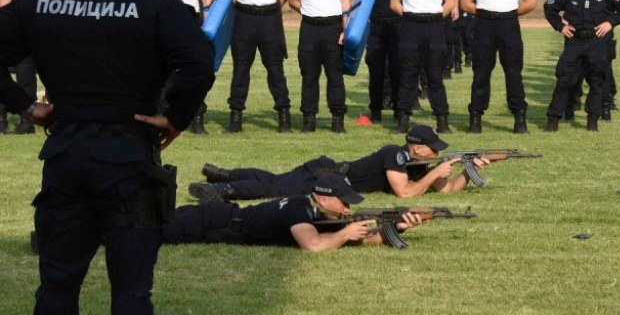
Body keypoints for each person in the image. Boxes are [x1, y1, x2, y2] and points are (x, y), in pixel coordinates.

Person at [0, 0, 215, 315]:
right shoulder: (156, 4)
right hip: (128, 157)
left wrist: (25, 106)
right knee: (131, 286)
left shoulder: (40, 2)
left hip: (66, 156)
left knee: (57, 283)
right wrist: (176, 117)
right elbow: (200, 61)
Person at [188, 124, 489, 202]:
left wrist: (469, 169)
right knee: (275, 190)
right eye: (433, 149)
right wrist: (435, 173)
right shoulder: (394, 154)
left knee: (273, 180)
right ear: (418, 147)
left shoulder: (417, 164)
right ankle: (221, 189)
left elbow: (447, 188)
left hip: (325, 170)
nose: (437, 153)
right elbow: (405, 193)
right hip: (323, 176)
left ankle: (223, 175)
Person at [164, 174, 422, 250]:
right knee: (150, 229)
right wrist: (344, 234)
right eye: (343, 202)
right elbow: (313, 245)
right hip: (212, 220)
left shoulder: (325, 215)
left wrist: (395, 228)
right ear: (322, 198)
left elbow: (362, 238)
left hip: (222, 222)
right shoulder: (299, 207)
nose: (348, 208)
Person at [542, 0, 620, 132]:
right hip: (574, 42)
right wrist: (560, 26)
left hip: (596, 42)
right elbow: (549, 8)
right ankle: (553, 119)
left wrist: (610, 23)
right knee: (564, 80)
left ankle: (592, 120)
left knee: (597, 82)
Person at [0, 0, 72, 135]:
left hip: (50, 26)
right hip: (20, 26)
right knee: (24, 77)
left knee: (56, 78)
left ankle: (61, 120)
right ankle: (27, 121)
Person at [460, 0, 537, 134]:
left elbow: (531, 1)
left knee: (513, 72)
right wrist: (486, 13)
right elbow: (465, 2)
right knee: (481, 72)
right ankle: (475, 118)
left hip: (509, 25)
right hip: (484, 24)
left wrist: (509, 13)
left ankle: (519, 118)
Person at [221, 0, 292, 133]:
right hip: (244, 18)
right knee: (241, 68)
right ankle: (235, 118)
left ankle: (284, 116)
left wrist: (275, 9)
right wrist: (242, 7)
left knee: (275, 68)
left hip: (270, 18)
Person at [145, 0, 214, 133]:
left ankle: (197, 117)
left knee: (195, 71)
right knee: (161, 72)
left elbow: (207, 0)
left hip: (189, 20)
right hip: (161, 22)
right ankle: (161, 114)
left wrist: (207, 30)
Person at [388, 0, 457, 134]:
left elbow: (450, 2)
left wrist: (434, 19)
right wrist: (410, 17)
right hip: (410, 26)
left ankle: (442, 121)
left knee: (435, 75)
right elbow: (394, 2)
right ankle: (403, 121)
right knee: (408, 75)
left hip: (434, 26)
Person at [286, 0, 352, 134]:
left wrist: (345, 30)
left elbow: (346, 3)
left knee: (335, 75)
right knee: (309, 75)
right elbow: (292, 0)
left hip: (333, 27)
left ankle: (338, 119)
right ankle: (309, 119)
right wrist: (308, 10)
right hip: (309, 28)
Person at [364, 0, 402, 123]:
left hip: (396, 29)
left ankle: (398, 110)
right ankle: (376, 110)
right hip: (376, 31)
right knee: (376, 72)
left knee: (397, 71)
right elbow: (363, 10)